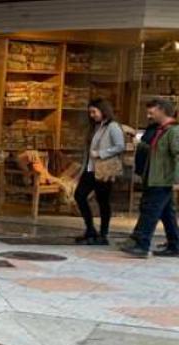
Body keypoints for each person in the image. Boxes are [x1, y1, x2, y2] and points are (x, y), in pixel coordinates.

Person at [122, 98, 179, 257]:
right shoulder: (162, 130)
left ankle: (142, 245)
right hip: (156, 178)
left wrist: (177, 180)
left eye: (151, 112)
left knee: (150, 211)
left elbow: (178, 156)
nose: (148, 116)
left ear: (162, 110)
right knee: (167, 213)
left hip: (162, 180)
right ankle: (175, 245)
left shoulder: (173, 131)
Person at [73, 99, 125, 245]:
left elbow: (120, 146)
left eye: (94, 111)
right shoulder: (95, 127)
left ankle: (103, 234)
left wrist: (101, 153)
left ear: (103, 110)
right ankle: (90, 229)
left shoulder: (113, 127)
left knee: (103, 201)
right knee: (79, 195)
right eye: (90, 112)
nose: (92, 115)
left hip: (104, 170)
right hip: (90, 169)